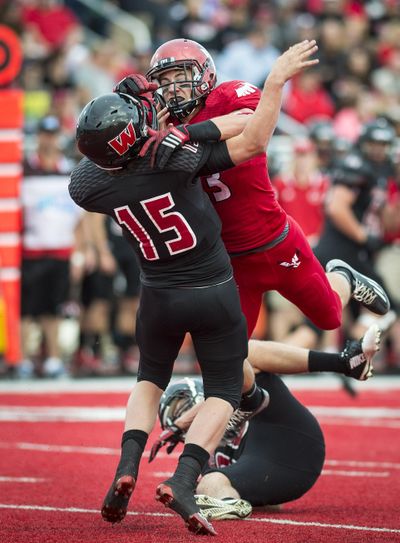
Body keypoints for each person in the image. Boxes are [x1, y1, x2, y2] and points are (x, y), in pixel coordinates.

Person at [69, 40, 320, 536]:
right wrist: (271, 85)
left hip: (157, 296)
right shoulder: (176, 159)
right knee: (224, 389)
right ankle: (185, 480)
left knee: (148, 381)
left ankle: (125, 468)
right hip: (211, 288)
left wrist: (136, 134)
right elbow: (249, 138)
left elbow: (92, 167)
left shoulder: (92, 187)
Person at [150, 322, 380, 520]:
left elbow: (236, 380)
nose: (185, 413)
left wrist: (182, 422)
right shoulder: (198, 451)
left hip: (287, 433)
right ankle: (229, 503)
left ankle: (343, 362)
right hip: (281, 469)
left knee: (245, 354)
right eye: (178, 412)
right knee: (210, 482)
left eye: (185, 406)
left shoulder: (219, 402)